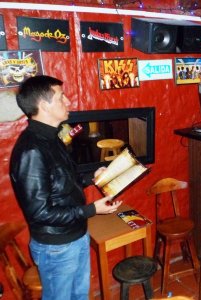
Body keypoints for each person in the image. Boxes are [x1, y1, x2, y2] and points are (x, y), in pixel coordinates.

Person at [9, 75, 122, 300]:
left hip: (76, 235)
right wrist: (91, 210)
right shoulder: (31, 150)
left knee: (80, 296)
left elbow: (63, 181)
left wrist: (92, 176)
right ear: (43, 105)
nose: (68, 101)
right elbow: (40, 213)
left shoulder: (52, 137)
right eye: (62, 97)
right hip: (56, 248)